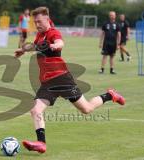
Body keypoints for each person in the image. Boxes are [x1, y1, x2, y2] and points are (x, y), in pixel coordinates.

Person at [14, 7, 125, 154]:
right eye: (35, 22)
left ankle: (110, 95)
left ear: (47, 19)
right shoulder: (40, 35)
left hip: (61, 79)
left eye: (39, 21)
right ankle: (41, 143)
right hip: (47, 83)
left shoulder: (53, 32)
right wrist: (23, 50)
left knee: (86, 109)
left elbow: (60, 42)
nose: (37, 24)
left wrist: (55, 45)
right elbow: (34, 45)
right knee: (35, 110)